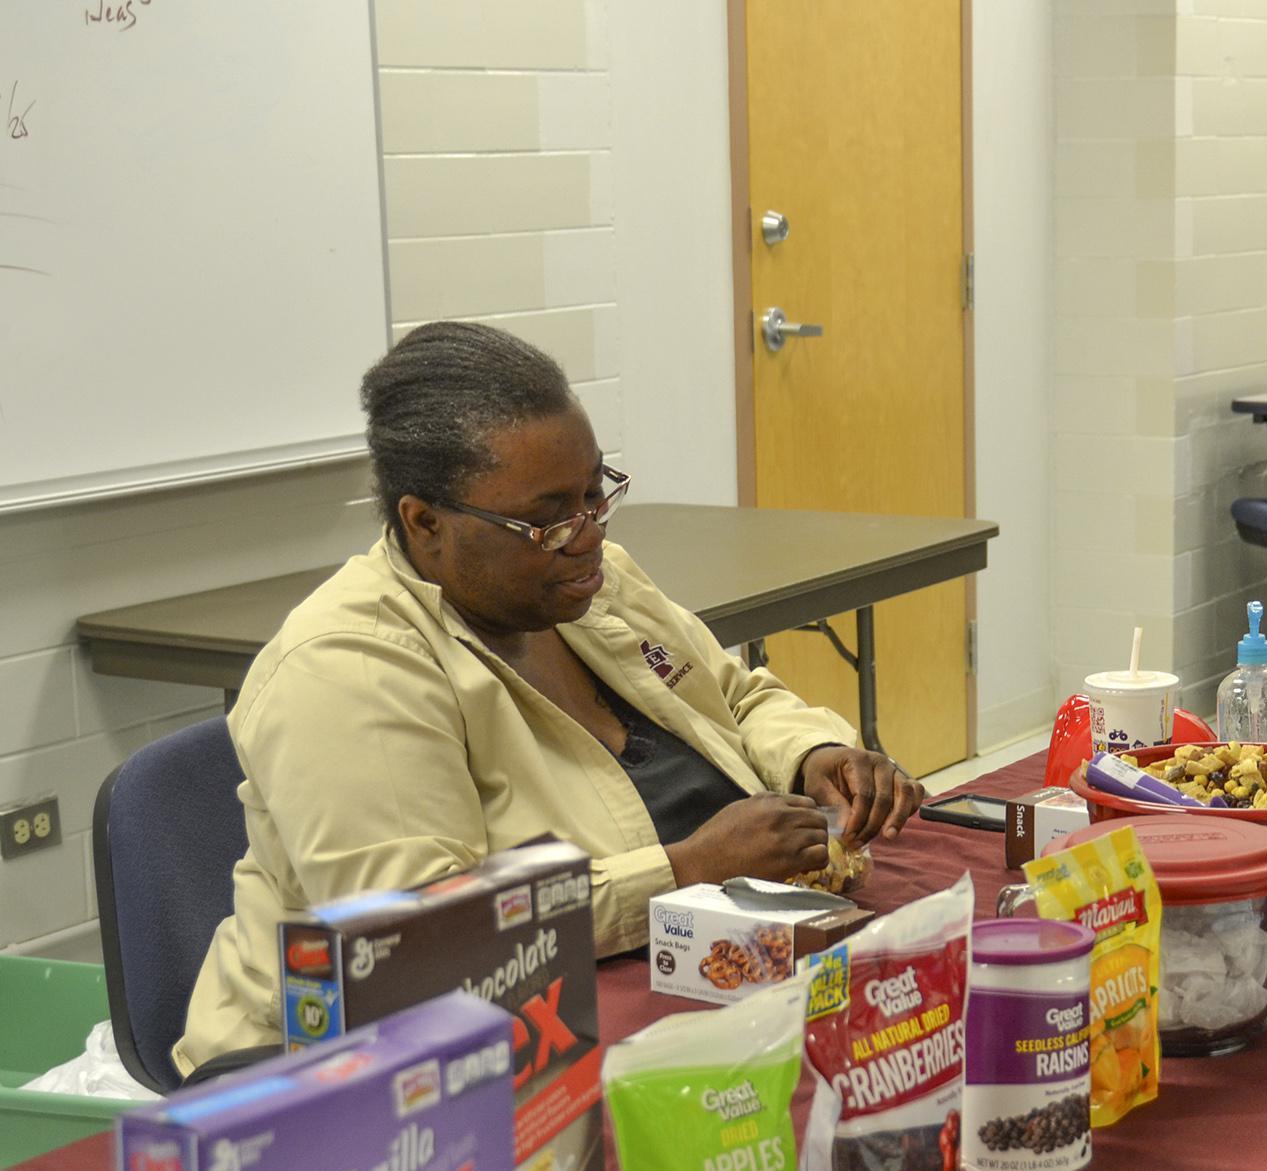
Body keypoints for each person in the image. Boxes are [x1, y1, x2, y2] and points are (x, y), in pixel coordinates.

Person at [176, 321, 922, 1074]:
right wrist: (687, 866)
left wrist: (813, 755)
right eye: (545, 521)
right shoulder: (347, 671)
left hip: (669, 977)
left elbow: (732, 695)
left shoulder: (589, 587)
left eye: (596, 494)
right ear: (424, 523)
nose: (587, 535)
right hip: (381, 1071)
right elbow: (422, 939)